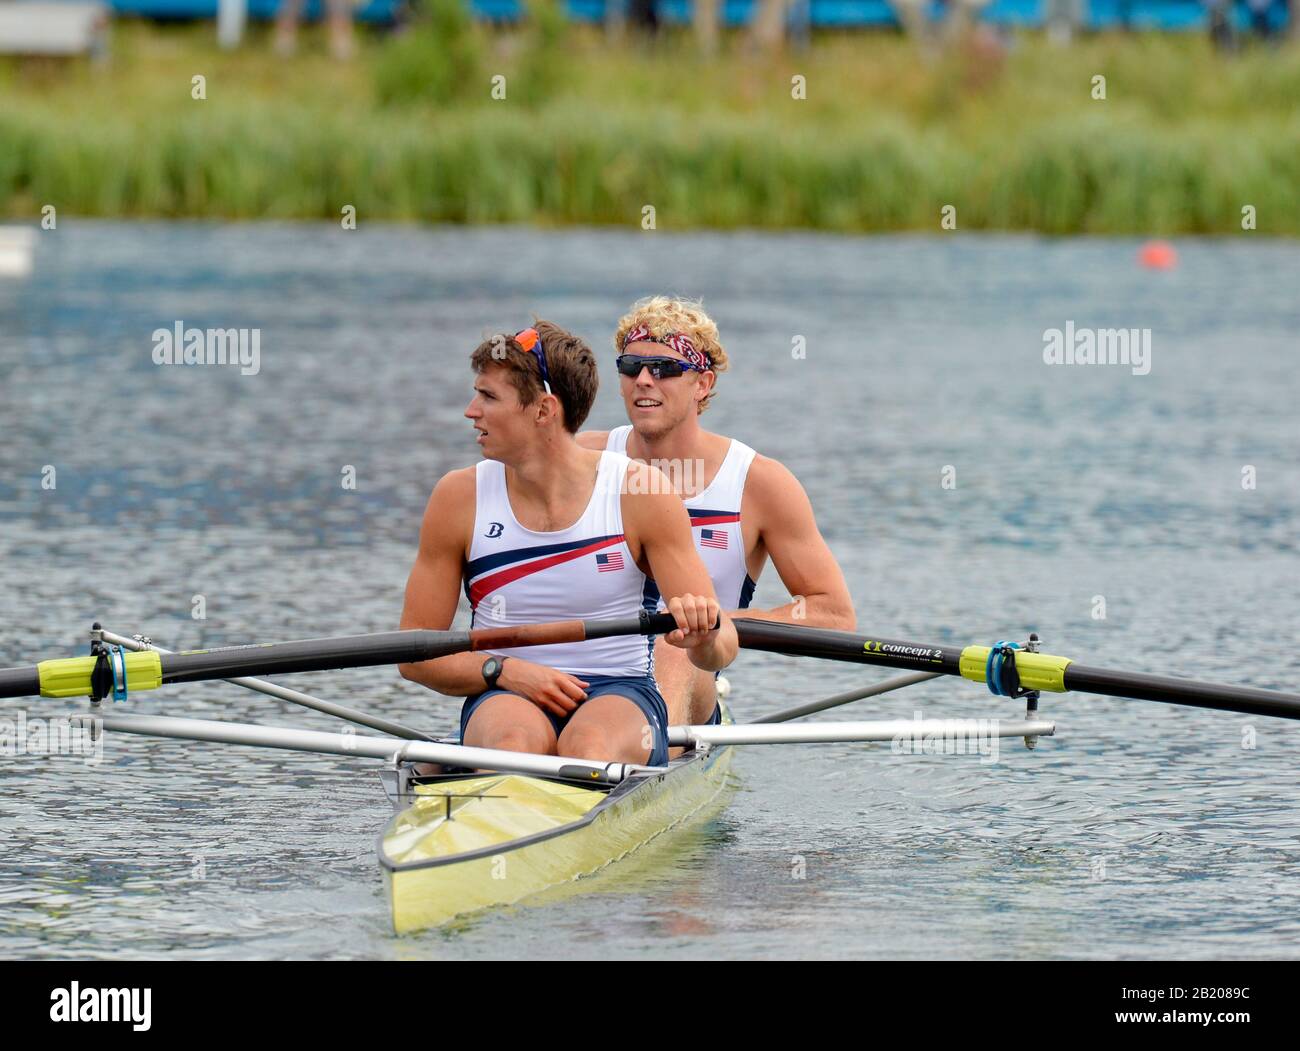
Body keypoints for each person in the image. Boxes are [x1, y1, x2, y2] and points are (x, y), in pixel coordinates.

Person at [398, 321, 737, 767]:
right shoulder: (457, 498)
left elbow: (723, 644)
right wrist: (500, 670)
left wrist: (704, 636)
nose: (470, 411)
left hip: (620, 689)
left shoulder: (640, 492)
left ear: (543, 411)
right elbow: (413, 655)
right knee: (511, 749)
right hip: (506, 689)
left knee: (587, 750)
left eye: (488, 397)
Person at [577, 297, 855, 738]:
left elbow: (833, 614)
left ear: (702, 384)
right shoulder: (582, 458)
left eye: (665, 369)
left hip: (689, 670)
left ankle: (643, 770)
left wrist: (719, 622)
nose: (644, 380)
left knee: (673, 644)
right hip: (585, 672)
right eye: (631, 366)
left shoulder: (759, 483)